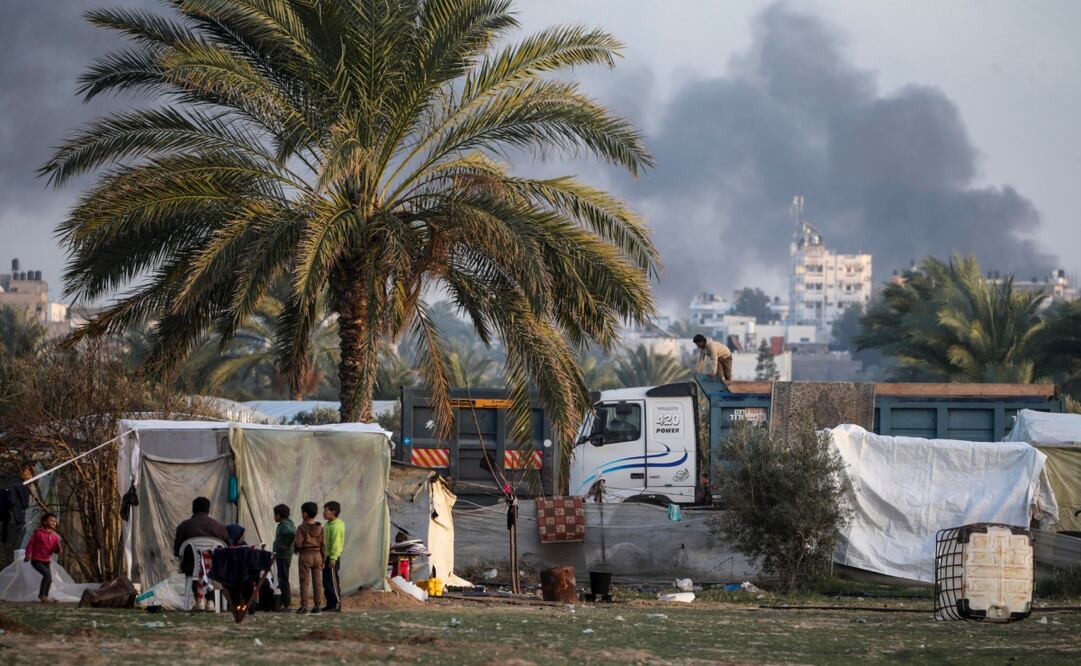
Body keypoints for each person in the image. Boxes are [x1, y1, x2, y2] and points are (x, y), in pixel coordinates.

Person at [172, 496, 228, 611]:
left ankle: (199, 600)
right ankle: (211, 601)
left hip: (191, 567)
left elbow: (177, 552)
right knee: (211, 567)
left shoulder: (183, 526)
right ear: (208, 510)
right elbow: (228, 549)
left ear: (193, 509)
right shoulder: (220, 528)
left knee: (194, 570)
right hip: (214, 569)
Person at [293, 502, 325, 614]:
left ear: (305, 514)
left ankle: (304, 606)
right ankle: (317, 606)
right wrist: (323, 558)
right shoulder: (321, 528)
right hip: (318, 555)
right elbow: (323, 544)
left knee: (304, 581)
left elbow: (298, 543)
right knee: (317, 582)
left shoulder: (301, 528)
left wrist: (296, 549)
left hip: (305, 555)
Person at [24, 512, 61, 603]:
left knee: (50, 579)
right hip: (36, 560)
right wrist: (28, 554)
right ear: (44, 522)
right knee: (47, 575)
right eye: (51, 520)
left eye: (55, 521)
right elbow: (30, 545)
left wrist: (58, 548)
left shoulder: (55, 537)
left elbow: (56, 550)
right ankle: (41, 595)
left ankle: (45, 596)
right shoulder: (38, 533)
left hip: (46, 560)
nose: (53, 522)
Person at [322, 501, 345, 612]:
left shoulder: (335, 527)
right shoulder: (328, 525)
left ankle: (336, 603)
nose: (324, 513)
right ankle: (330, 603)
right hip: (327, 558)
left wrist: (333, 558)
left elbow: (336, 544)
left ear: (334, 512)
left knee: (332, 581)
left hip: (332, 558)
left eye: (326, 510)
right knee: (326, 581)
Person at [272, 504, 296, 611]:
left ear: (278, 515)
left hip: (283, 556)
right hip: (284, 556)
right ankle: (283, 603)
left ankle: (287, 604)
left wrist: (286, 545)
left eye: (275, 515)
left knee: (284, 579)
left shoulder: (285, 525)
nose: (274, 517)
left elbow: (292, 533)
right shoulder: (288, 523)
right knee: (282, 578)